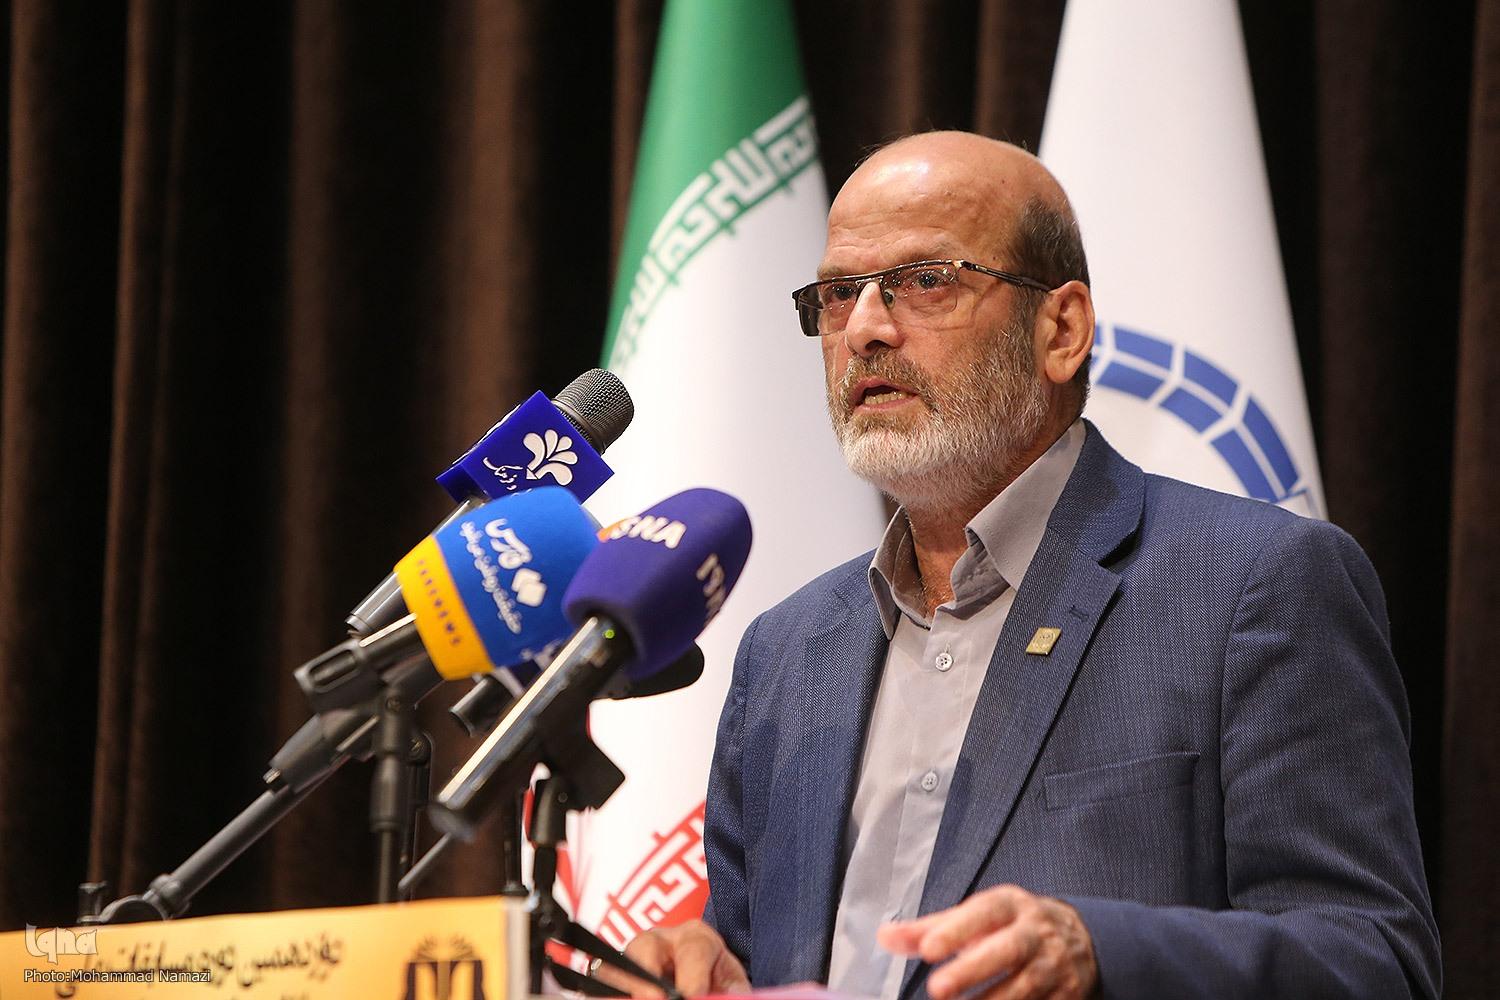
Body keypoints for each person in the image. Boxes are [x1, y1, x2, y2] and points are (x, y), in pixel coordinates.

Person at [612, 131, 1440, 1000]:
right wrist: (708, 967)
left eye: (924, 280)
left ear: (1062, 329)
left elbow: (1376, 961)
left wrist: (1101, 952)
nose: (863, 329)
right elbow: (760, 959)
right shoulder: (786, 653)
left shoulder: (1256, 586)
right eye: (838, 293)